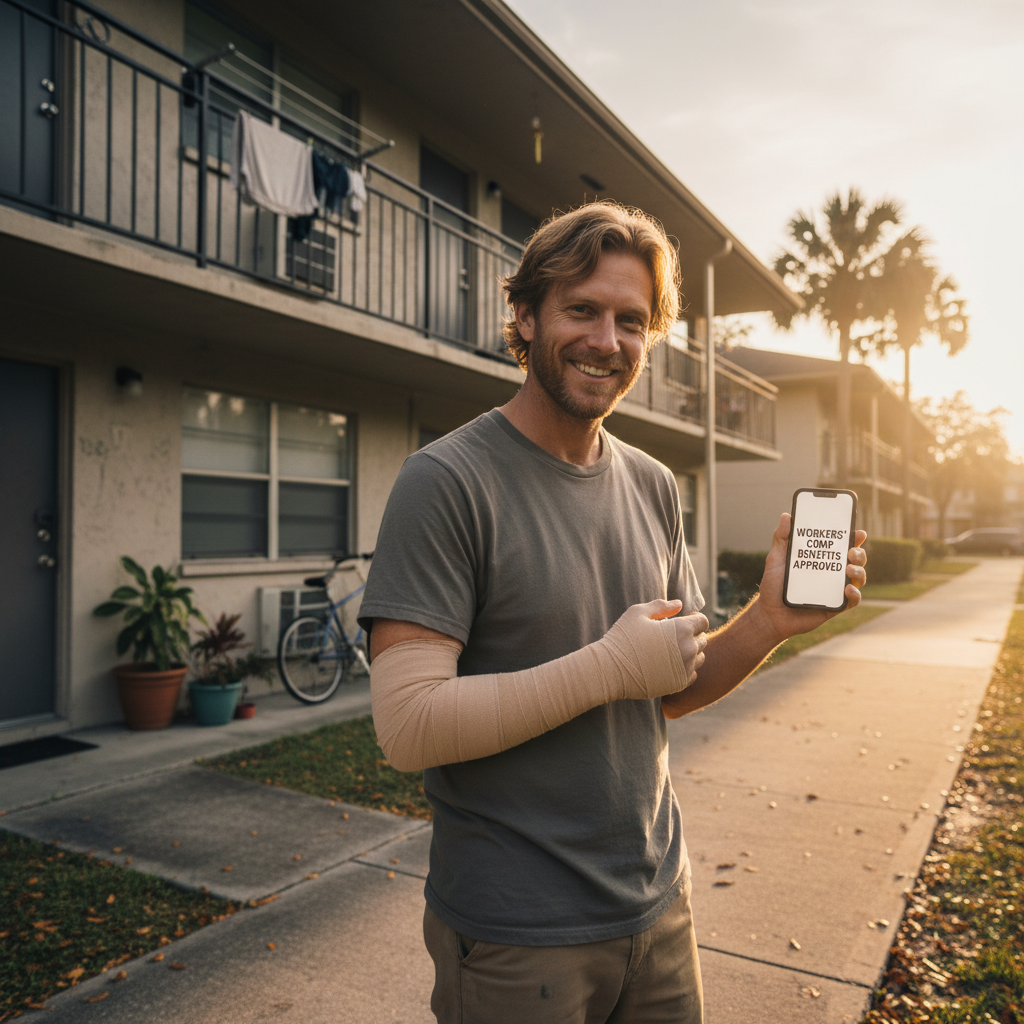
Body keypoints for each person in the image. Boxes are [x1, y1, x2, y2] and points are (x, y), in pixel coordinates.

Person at [358, 201, 868, 1024]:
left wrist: (770, 620)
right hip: (516, 935)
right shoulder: (446, 481)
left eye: (632, 320)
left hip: (659, 906)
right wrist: (606, 667)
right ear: (524, 316)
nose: (607, 340)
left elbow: (665, 688)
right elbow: (408, 726)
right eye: (582, 310)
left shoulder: (653, 483)